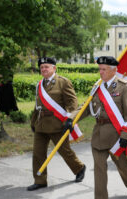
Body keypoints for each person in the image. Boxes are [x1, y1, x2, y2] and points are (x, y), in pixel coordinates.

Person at [66, 56, 127, 199]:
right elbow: (86, 107)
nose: (101, 72)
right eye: (100, 69)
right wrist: (71, 119)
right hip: (98, 134)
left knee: (122, 164)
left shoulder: (124, 87)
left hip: (116, 135)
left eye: (104, 69)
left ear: (114, 70)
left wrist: (126, 136)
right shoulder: (97, 87)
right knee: (99, 170)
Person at [28, 57, 86, 191]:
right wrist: (33, 122)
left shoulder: (63, 82)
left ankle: (79, 168)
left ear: (54, 68)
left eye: (46, 66)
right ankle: (40, 180)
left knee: (65, 151)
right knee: (38, 153)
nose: (44, 69)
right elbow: (37, 106)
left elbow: (72, 103)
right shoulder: (39, 85)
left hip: (58, 124)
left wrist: (70, 119)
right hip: (41, 125)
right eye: (41, 67)